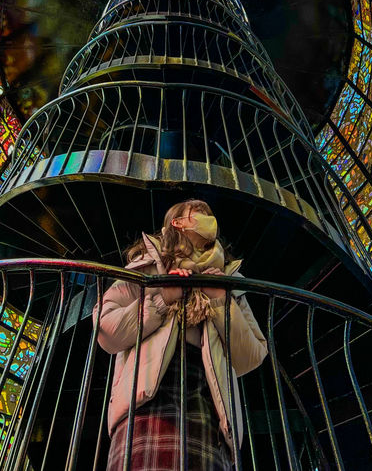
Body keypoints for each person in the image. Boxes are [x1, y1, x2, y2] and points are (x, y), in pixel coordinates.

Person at [94, 198, 268, 471]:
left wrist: (220, 300)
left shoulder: (228, 279)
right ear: (177, 222)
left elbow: (252, 355)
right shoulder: (148, 267)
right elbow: (107, 331)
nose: (207, 217)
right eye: (198, 213)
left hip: (210, 401)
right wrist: (163, 298)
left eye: (209, 214)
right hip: (148, 399)